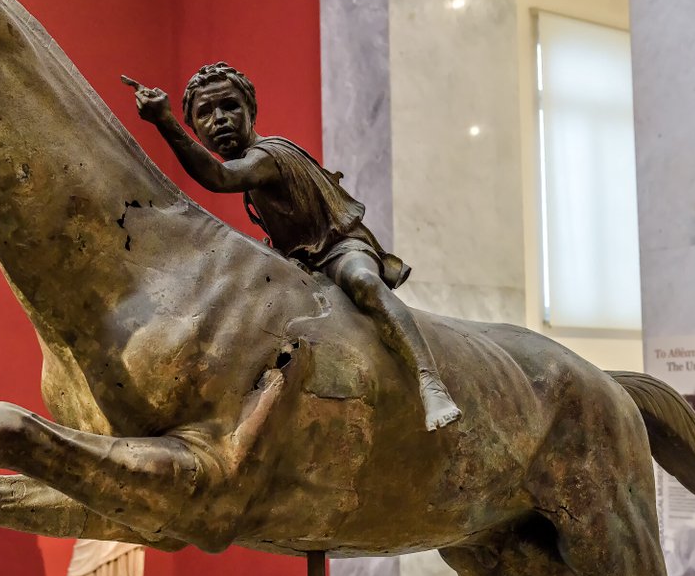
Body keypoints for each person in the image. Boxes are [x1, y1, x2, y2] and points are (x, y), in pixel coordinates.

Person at [122, 62, 460, 431]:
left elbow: (219, 178)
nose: (219, 119)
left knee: (363, 282)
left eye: (230, 106)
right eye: (205, 113)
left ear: (251, 111)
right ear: (197, 129)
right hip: (300, 263)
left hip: (337, 249)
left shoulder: (267, 156)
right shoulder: (251, 167)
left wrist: (164, 122)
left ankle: (431, 383)